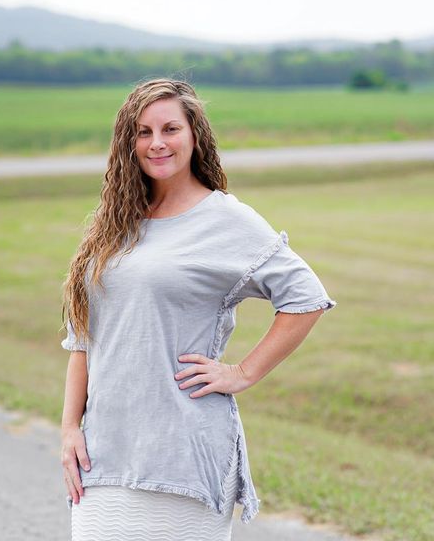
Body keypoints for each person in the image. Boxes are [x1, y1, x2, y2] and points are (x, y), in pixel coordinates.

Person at [59, 77, 337, 541]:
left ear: (194, 136)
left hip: (183, 454)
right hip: (104, 451)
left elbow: (305, 297)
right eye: (143, 132)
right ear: (128, 142)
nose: (157, 143)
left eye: (170, 128)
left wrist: (242, 372)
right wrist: (70, 428)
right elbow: (84, 339)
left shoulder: (224, 220)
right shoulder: (114, 225)